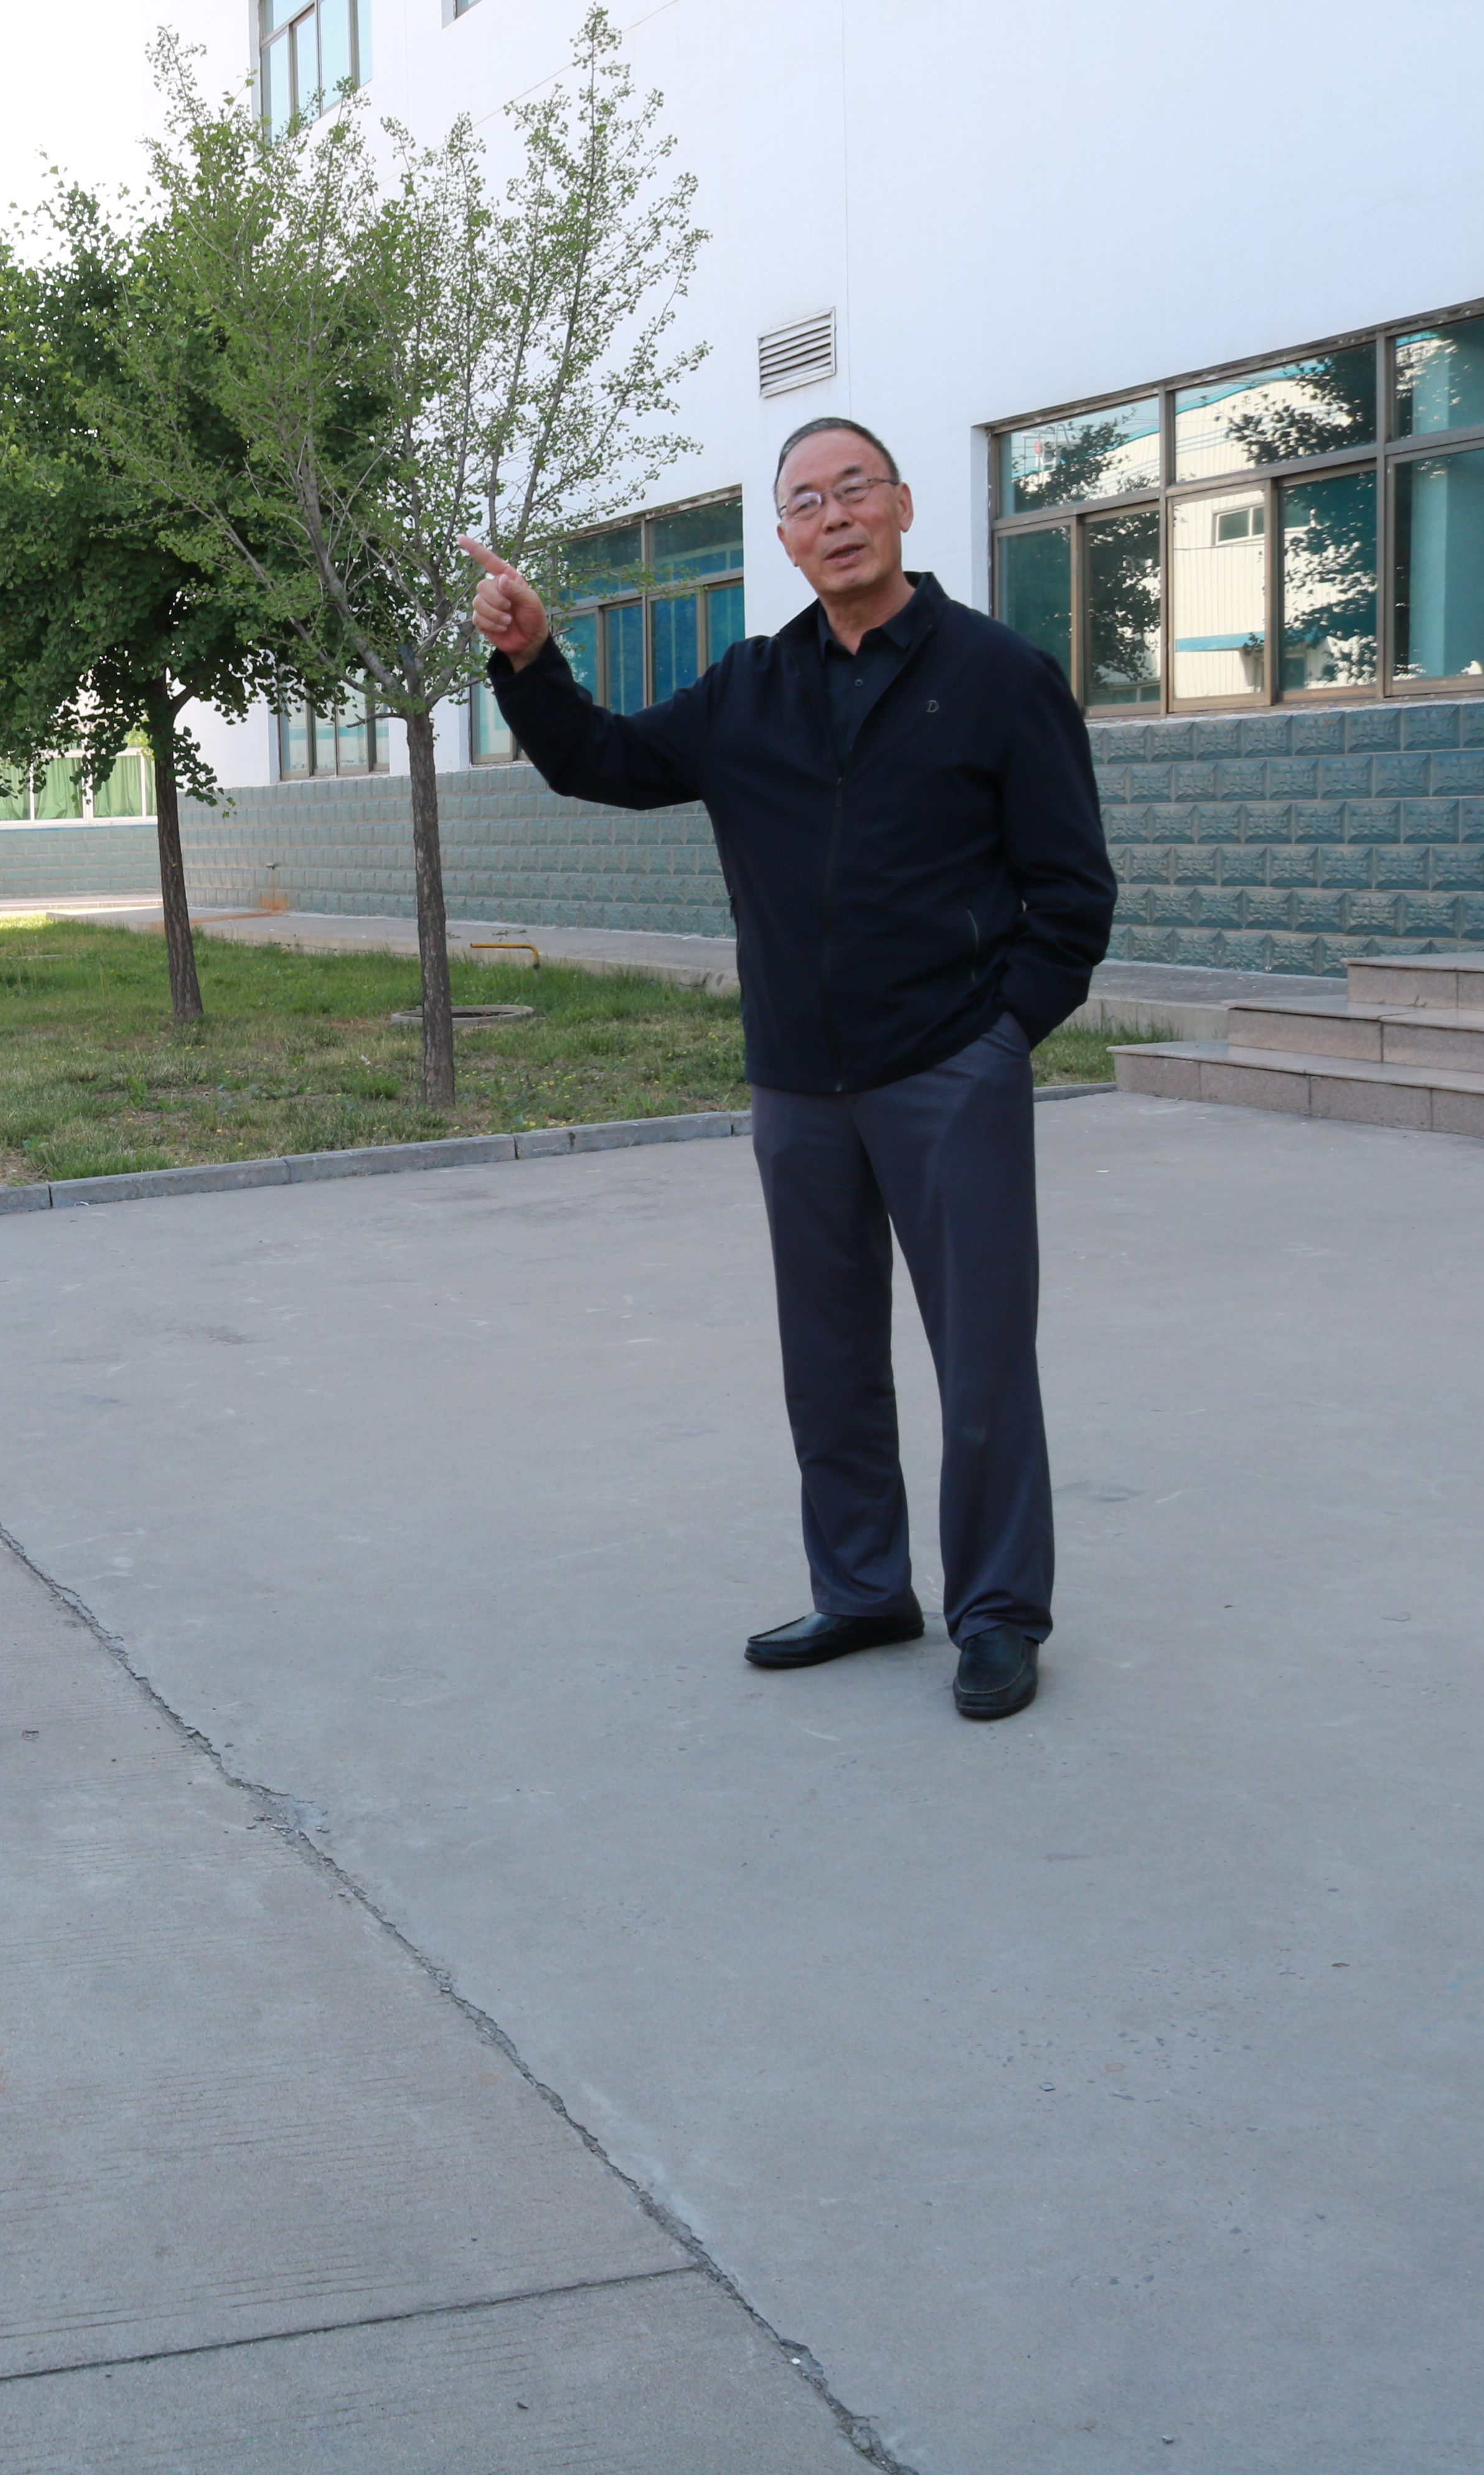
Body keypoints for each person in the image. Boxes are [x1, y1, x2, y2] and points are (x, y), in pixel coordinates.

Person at [468, 416, 1115, 1722]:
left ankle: (997, 1612)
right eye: (807, 501)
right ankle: (864, 1587)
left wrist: (1003, 1036)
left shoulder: (999, 675)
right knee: (827, 1359)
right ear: (784, 538)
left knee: (983, 1360)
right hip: (799, 1084)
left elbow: (1072, 889)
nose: (835, 516)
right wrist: (532, 660)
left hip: (950, 1070)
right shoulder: (749, 688)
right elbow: (602, 760)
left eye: (854, 488)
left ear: (903, 506)